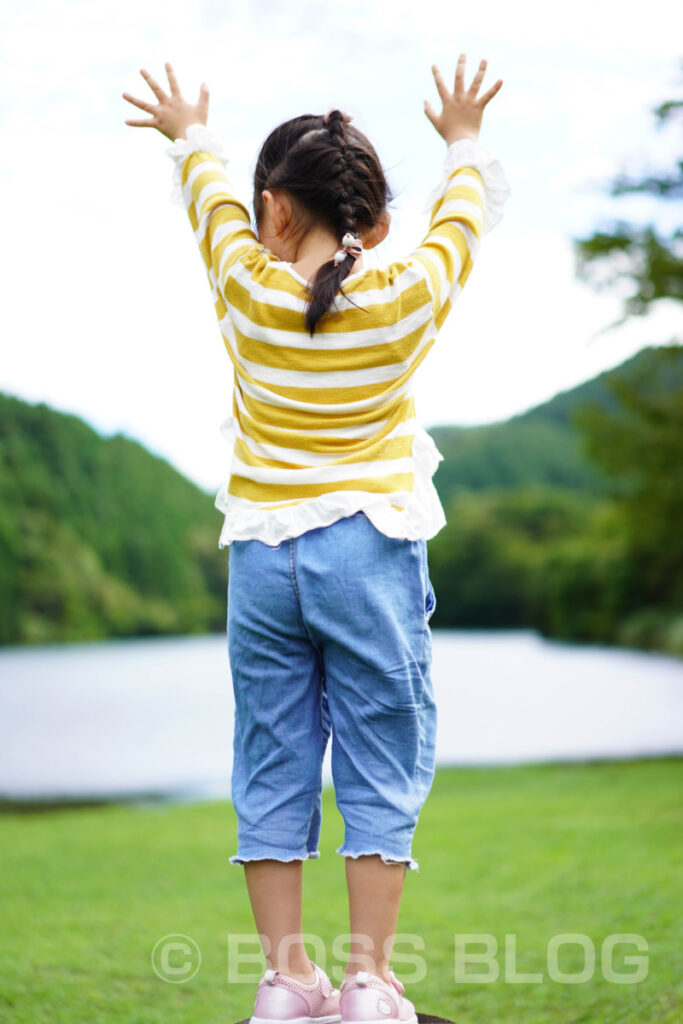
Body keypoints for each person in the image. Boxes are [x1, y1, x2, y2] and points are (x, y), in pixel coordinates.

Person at [123, 53, 510, 1024]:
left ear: (275, 211)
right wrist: (460, 138)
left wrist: (189, 131)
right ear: (374, 223)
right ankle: (369, 981)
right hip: (368, 551)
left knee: (271, 756)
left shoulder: (245, 291)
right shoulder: (404, 300)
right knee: (382, 751)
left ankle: (286, 980)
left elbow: (209, 199)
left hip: (262, 559)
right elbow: (460, 220)